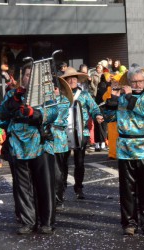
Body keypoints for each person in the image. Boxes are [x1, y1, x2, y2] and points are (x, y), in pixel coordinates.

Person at [0, 63, 59, 235]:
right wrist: (13, 103)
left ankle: (46, 221)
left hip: (40, 144)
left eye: (33, 76)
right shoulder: (12, 94)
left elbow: (54, 113)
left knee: (44, 185)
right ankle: (27, 221)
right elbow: (1, 119)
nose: (29, 79)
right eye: (26, 75)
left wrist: (36, 114)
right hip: (18, 146)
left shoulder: (46, 94)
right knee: (22, 186)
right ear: (21, 77)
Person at [103, 66, 144, 236]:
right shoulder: (121, 98)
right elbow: (107, 118)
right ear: (128, 82)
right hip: (125, 148)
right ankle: (129, 223)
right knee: (127, 189)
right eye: (133, 81)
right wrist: (112, 100)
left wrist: (128, 97)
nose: (137, 84)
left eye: (140, 81)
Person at [58, 67, 103, 199]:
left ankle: (79, 187)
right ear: (65, 81)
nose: (72, 80)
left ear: (77, 80)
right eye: (69, 78)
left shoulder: (84, 95)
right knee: (63, 162)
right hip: (63, 132)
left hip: (81, 132)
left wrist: (98, 115)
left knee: (79, 161)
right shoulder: (61, 96)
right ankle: (62, 186)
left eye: (74, 78)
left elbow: (94, 108)